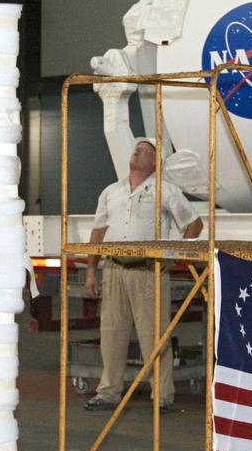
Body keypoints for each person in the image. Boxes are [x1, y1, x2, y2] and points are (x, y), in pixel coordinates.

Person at [83, 137, 203, 411]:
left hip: (148, 271)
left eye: (145, 150)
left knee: (154, 335)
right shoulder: (111, 192)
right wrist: (92, 269)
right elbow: (98, 232)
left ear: (154, 163)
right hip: (113, 269)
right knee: (111, 333)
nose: (138, 151)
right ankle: (109, 392)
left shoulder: (165, 190)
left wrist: (173, 257)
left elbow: (194, 223)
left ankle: (161, 395)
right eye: (137, 149)